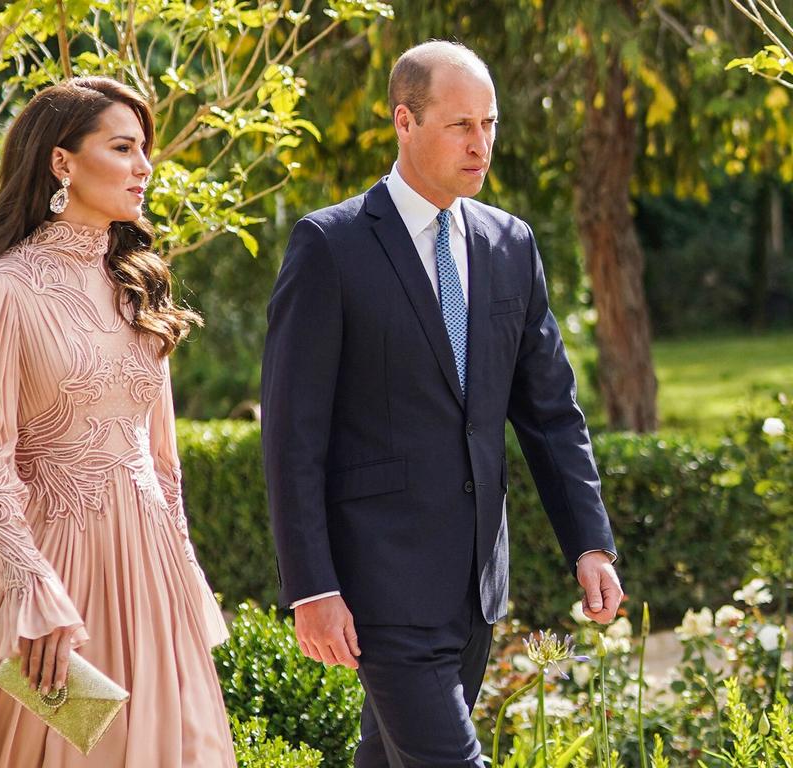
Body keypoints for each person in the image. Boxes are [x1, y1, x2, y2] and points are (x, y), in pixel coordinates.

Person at [261, 41, 623, 768]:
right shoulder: (329, 247)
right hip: (378, 585)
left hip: (474, 587)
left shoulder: (509, 244)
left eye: (488, 124)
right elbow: (294, 437)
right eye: (461, 125)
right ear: (404, 120)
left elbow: (551, 412)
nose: (480, 143)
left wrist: (589, 541)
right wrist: (313, 587)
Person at [0, 76, 236, 767]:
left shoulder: (139, 284)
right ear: (62, 163)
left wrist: (183, 574)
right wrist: (35, 591)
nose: (144, 166)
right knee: (74, 749)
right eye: (123, 147)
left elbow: (161, 459)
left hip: (151, 572)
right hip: (56, 573)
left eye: (144, 149)